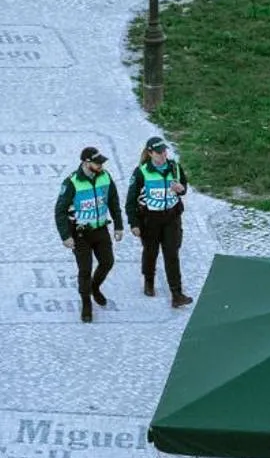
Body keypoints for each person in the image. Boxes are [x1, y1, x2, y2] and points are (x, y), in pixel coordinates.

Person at [54, 148, 122, 323]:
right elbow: (60, 211)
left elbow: (113, 202)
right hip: (80, 234)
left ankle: (94, 287)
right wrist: (65, 236)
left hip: (100, 230)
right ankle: (86, 303)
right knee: (85, 270)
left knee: (108, 262)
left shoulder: (105, 177)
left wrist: (118, 226)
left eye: (101, 163)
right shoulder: (72, 182)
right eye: (97, 163)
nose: (101, 165)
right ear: (86, 163)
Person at [128, 135, 192, 307]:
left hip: (171, 218)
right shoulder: (141, 172)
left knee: (172, 254)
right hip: (150, 219)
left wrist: (181, 189)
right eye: (158, 152)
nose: (163, 155)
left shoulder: (175, 168)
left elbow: (184, 188)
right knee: (150, 252)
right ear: (150, 153)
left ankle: (177, 294)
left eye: (164, 151)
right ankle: (149, 280)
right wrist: (133, 223)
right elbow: (131, 200)